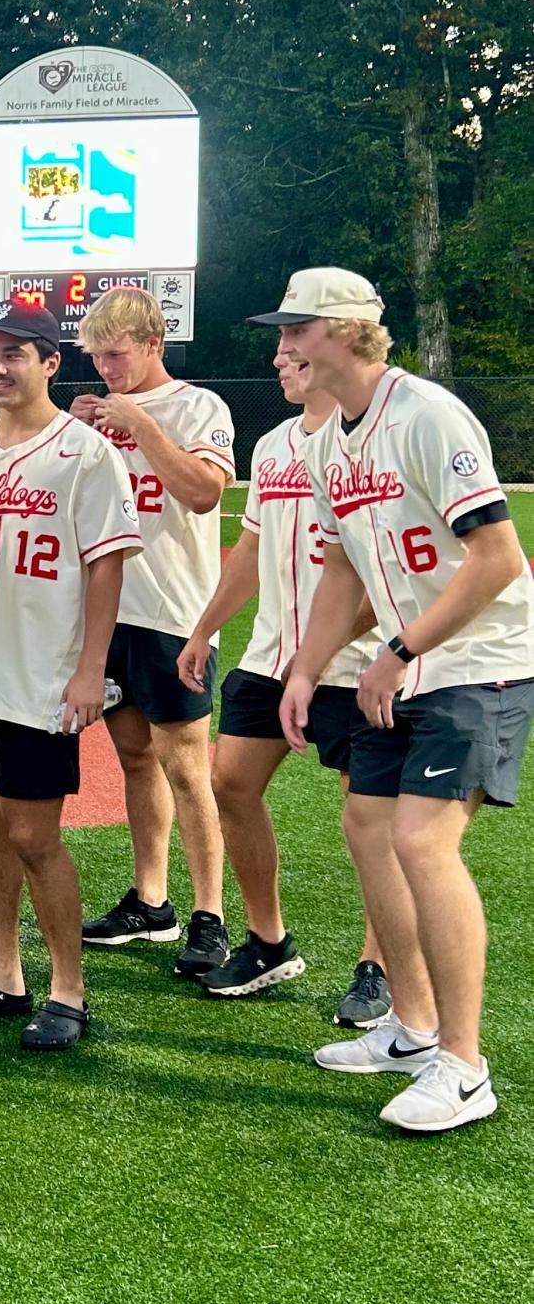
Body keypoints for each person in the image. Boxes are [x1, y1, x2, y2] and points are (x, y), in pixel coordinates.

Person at [266, 268, 534, 1133]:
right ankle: (414, 1030)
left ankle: (465, 1065)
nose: (284, 346)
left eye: (297, 329)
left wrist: (400, 648)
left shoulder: (427, 413)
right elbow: (343, 569)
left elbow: (497, 558)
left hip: (478, 658)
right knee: (367, 825)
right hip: (404, 663)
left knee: (422, 839)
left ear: (344, 330)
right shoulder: (321, 444)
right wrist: (305, 671)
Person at [0, 300, 141, 1050]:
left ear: (51, 363)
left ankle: (68, 990)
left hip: (40, 675)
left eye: (18, 353)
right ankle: (3, 971)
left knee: (34, 834)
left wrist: (91, 671)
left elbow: (106, 563)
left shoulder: (84, 451)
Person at [176, 339, 390, 1015]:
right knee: (230, 781)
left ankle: (377, 965)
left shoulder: (378, 440)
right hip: (272, 656)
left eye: (292, 349)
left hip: (361, 661)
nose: (278, 360)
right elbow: (252, 548)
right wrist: (205, 626)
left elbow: (391, 570)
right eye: (277, 350)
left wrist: (322, 653)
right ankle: (269, 940)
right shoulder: (272, 446)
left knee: (371, 816)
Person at [71, 287, 237, 980]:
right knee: (135, 757)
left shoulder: (197, 406)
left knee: (187, 765)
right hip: (111, 613)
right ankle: (151, 897)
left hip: (175, 613)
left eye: (116, 354)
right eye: (97, 357)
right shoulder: (100, 409)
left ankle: (210, 915)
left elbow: (204, 492)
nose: (106, 368)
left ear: (150, 344)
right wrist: (69, 431)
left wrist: (139, 424)